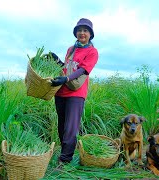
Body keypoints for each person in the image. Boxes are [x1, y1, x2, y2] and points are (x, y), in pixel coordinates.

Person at [50, 18, 99, 163]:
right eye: (79, 30)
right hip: (61, 92)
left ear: (90, 34)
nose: (82, 33)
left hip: (76, 94)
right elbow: (67, 68)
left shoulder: (92, 52)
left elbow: (83, 70)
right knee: (62, 125)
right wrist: (57, 61)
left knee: (70, 128)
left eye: (85, 30)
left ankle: (65, 160)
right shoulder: (71, 49)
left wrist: (65, 79)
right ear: (75, 33)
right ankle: (64, 153)